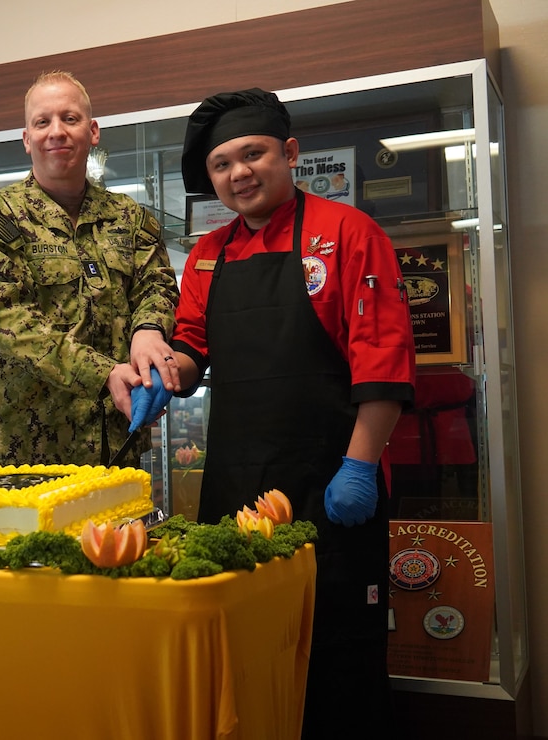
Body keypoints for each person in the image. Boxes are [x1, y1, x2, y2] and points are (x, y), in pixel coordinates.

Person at [170, 88, 416, 738]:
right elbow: (191, 346)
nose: (238, 173)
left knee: (338, 654)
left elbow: (383, 365)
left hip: (333, 484)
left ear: (289, 153)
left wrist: (358, 466)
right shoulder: (205, 254)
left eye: (251, 154)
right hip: (237, 489)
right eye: (222, 164)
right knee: (247, 651)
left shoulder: (346, 232)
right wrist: (161, 374)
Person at [0, 71, 179, 467]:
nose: (56, 132)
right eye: (42, 122)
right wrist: (103, 374)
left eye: (70, 119)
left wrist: (148, 330)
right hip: (18, 448)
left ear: (92, 131)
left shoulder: (129, 217)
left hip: (112, 444)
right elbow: (7, 321)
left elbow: (157, 285)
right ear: (27, 139)